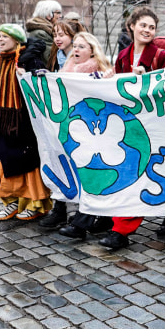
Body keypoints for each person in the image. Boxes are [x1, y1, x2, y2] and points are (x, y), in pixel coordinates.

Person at [100, 7, 165, 250]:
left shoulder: (162, 57)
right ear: (131, 26)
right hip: (132, 124)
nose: (147, 30)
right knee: (135, 170)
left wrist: (151, 77)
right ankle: (121, 228)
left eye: (152, 27)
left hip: (156, 123)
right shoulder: (123, 55)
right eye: (143, 25)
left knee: (158, 169)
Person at [0, 24, 52, 221]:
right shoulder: (4, 60)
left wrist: (33, 73)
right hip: (1, 118)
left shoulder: (27, 60)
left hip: (21, 121)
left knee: (25, 163)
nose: (0, 39)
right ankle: (11, 201)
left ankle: (35, 204)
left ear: (16, 40)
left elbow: (42, 80)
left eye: (5, 36)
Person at [55, 32, 117, 240]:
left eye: (82, 46)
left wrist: (105, 79)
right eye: (75, 46)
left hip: (97, 132)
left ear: (92, 50)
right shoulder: (68, 71)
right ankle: (103, 218)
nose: (76, 50)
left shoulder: (100, 71)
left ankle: (81, 224)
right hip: (80, 132)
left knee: (94, 175)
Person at [40, 19, 89, 230]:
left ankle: (79, 213)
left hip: (78, 119)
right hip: (62, 118)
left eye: (62, 34)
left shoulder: (84, 58)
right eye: (55, 34)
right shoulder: (58, 56)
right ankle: (61, 207)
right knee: (59, 159)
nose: (57, 38)